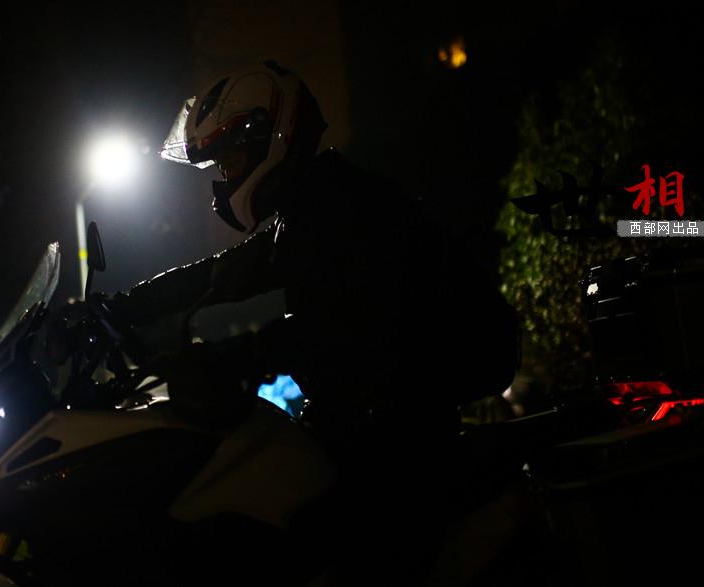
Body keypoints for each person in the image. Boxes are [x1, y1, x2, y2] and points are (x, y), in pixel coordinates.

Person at [108, 60, 520, 582]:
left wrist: (233, 358)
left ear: (268, 138)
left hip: (398, 441)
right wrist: (123, 306)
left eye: (230, 162)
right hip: (357, 427)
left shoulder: (345, 207)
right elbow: (221, 273)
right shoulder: (306, 208)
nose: (225, 179)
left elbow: (336, 325)